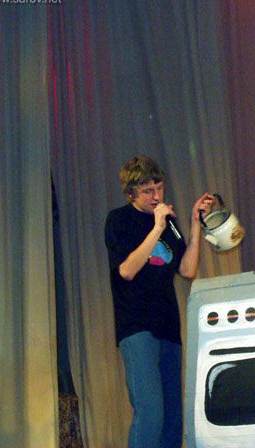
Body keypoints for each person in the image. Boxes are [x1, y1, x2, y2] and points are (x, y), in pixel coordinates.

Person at [104, 155, 214, 448]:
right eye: (148, 191)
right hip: (136, 325)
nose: (156, 196)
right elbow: (127, 270)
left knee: (172, 416)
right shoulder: (119, 220)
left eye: (160, 188)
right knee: (150, 411)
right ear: (131, 194)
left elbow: (187, 270)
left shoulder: (171, 224)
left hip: (168, 324)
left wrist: (194, 224)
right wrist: (156, 228)